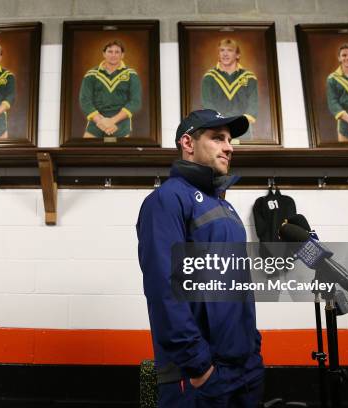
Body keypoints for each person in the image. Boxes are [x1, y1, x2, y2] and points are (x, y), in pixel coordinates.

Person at [137, 109, 264, 407]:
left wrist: (254, 348)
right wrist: (200, 368)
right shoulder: (166, 201)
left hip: (246, 371)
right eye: (218, 138)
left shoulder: (226, 208)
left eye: (230, 140)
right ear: (188, 143)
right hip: (200, 378)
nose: (229, 147)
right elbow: (164, 290)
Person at [79, 40, 141, 138]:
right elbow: (85, 100)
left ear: (122, 55)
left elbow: (135, 101)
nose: (113, 55)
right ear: (104, 53)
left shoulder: (131, 74)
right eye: (110, 51)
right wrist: (100, 120)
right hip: (96, 120)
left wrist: (111, 121)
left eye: (117, 52)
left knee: (121, 153)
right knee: (86, 152)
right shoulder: (91, 74)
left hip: (121, 121)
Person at [201, 39, 258, 140]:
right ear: (218, 54)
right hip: (217, 128)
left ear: (238, 55)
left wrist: (240, 122)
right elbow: (207, 104)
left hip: (242, 129)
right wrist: (220, 122)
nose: (225, 54)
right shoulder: (209, 77)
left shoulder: (249, 77)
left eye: (230, 50)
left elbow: (253, 104)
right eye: (222, 50)